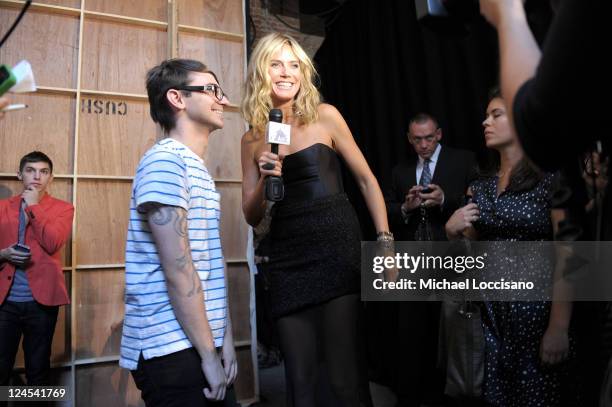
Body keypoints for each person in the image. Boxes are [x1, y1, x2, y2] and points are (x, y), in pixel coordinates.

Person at [240, 32, 392, 407]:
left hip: (336, 245)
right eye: (276, 63)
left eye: (293, 65)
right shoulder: (252, 137)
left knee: (344, 380)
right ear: (262, 71)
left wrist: (385, 244)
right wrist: (264, 177)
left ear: (303, 72)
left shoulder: (326, 116)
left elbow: (366, 180)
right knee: (301, 383)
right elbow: (251, 214)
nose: (285, 72)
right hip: (289, 255)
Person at [445, 90, 576, 406]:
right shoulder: (481, 185)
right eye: (486, 115)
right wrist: (452, 232)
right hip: (492, 320)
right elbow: (473, 252)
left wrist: (558, 327)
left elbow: (569, 255)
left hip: (537, 319)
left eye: (496, 115)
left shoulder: (550, 180)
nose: (485, 122)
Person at [119, 59, 237, 406]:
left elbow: (207, 265)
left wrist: (224, 338)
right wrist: (208, 354)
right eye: (212, 90)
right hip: (170, 345)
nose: (224, 100)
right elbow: (178, 270)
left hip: (199, 340)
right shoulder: (166, 162)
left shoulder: (192, 166)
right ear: (177, 98)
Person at [384, 112, 475, 406]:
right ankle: (412, 395)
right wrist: (406, 208)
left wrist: (445, 200)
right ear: (409, 139)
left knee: (447, 332)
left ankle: (448, 396)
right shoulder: (400, 171)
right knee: (412, 334)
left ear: (439, 135)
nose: (424, 145)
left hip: (450, 261)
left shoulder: (463, 161)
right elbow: (385, 212)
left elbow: (480, 205)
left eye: (429, 138)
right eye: (417, 139)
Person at [0, 151, 74, 386]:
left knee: (38, 370)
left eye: (43, 172)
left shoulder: (64, 209)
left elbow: (52, 243)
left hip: (41, 304)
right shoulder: (2, 208)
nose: (36, 177)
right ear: (19, 174)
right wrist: (3, 254)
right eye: (30, 170)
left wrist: (33, 207)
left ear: (51, 177)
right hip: (5, 303)